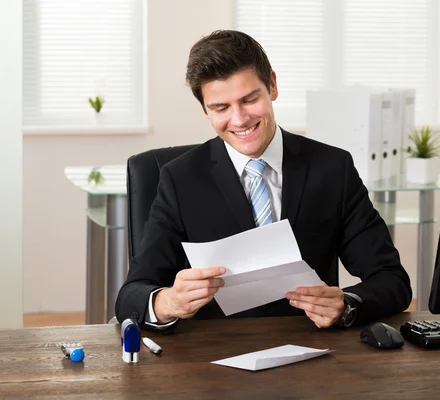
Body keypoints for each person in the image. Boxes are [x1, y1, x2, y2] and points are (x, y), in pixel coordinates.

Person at [115, 30, 412, 330]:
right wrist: (166, 303)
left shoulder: (333, 168)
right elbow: (131, 294)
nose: (240, 119)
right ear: (205, 109)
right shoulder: (180, 179)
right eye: (221, 108)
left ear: (272, 85)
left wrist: (347, 305)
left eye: (249, 99)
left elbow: (392, 280)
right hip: (213, 359)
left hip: (314, 354)